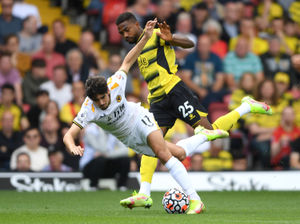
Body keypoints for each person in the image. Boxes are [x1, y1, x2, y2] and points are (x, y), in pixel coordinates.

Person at [64, 19, 230, 214]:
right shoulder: (88, 108)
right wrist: (72, 146)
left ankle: (194, 200)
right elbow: (69, 134)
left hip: (140, 119)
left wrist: (146, 38)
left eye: (103, 97)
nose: (101, 102)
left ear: (108, 91)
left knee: (164, 155)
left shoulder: (116, 83)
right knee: (178, 152)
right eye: (97, 100)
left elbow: (127, 60)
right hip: (130, 138)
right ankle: (206, 135)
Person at [116, 12, 272, 208]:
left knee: (211, 131)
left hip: (174, 91)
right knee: (152, 142)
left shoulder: (155, 35)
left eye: (126, 30)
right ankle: (144, 193)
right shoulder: (138, 47)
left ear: (136, 25)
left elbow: (190, 44)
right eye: (121, 33)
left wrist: (172, 39)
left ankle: (245, 107)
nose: (125, 35)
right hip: (156, 100)